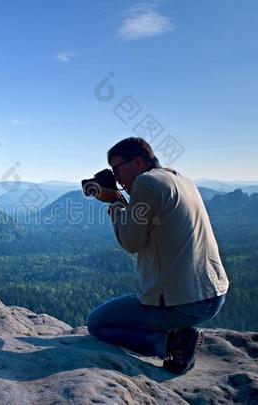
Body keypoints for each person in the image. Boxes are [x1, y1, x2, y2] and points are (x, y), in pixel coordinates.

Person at [86, 136, 229, 374]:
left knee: (97, 323)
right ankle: (178, 334)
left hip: (183, 304)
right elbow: (148, 218)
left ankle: (174, 343)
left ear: (139, 163)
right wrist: (121, 196)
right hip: (214, 294)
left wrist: (114, 203)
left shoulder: (146, 183)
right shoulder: (180, 179)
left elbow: (131, 242)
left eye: (116, 169)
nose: (116, 177)